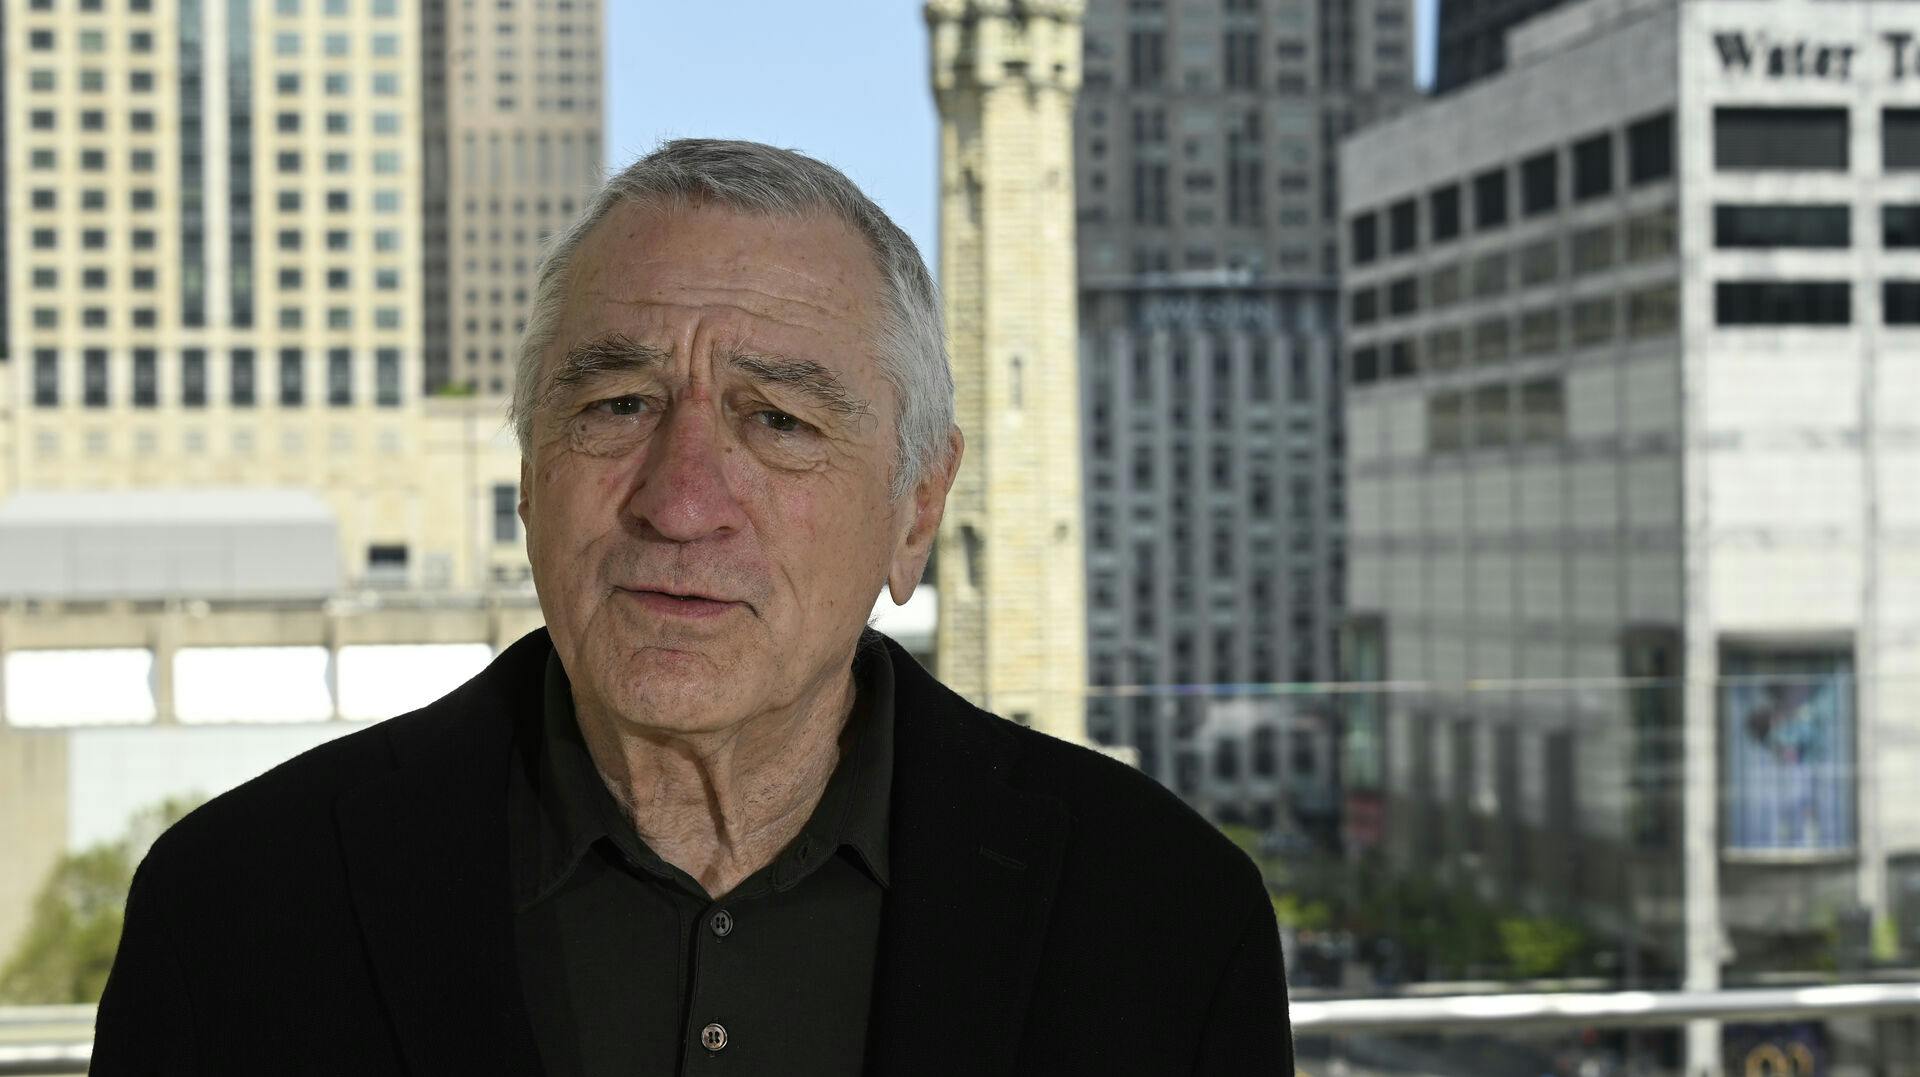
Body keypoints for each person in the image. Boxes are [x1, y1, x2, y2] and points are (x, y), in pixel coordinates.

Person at [92, 139, 1292, 1075]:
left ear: (916, 511)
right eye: (617, 404)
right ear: (526, 476)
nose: (681, 501)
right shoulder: (238, 911)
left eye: (779, 421)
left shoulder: (1165, 923)